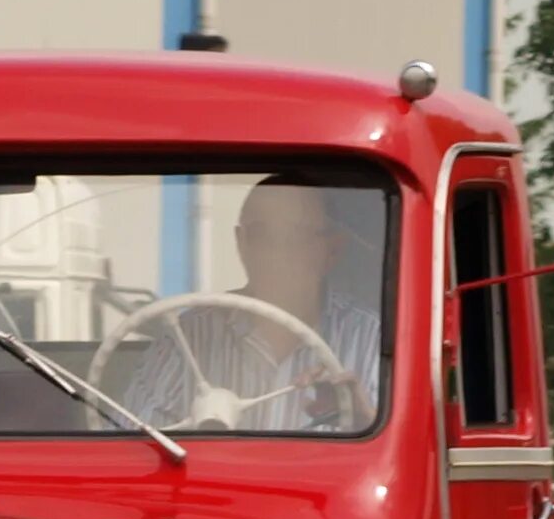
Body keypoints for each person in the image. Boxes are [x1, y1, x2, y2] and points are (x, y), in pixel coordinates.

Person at [123, 178, 381, 432]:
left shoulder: (371, 338)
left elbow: (398, 455)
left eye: (296, 236)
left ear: (331, 250)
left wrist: (363, 423)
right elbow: (130, 442)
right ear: (241, 243)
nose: (276, 252)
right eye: (261, 235)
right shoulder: (188, 337)